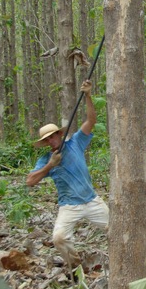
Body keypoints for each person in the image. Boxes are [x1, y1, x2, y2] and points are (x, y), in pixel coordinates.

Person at [27, 80, 109, 271]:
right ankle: (76, 266)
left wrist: (87, 95)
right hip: (69, 206)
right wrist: (50, 165)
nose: (51, 140)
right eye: (47, 139)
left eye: (53, 136)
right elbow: (30, 181)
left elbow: (90, 121)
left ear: (58, 134)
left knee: (115, 228)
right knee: (59, 238)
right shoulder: (47, 158)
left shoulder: (75, 143)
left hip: (91, 201)